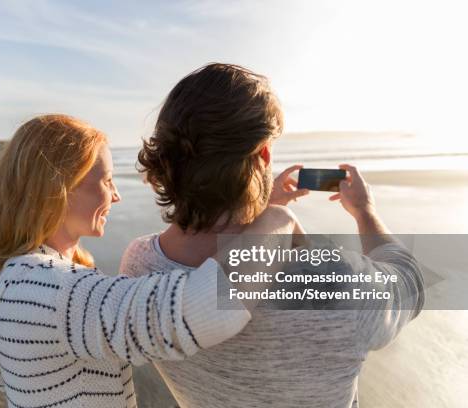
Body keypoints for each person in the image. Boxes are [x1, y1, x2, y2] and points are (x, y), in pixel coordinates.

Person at [120, 63, 424, 407]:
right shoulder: (335, 280)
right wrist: (365, 211)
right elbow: (408, 283)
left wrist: (261, 207)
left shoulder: (139, 264)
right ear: (263, 153)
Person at [0, 114, 298, 408]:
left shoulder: (25, 277)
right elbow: (202, 311)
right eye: (106, 180)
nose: (116, 195)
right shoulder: (43, 287)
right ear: (59, 188)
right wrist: (277, 221)